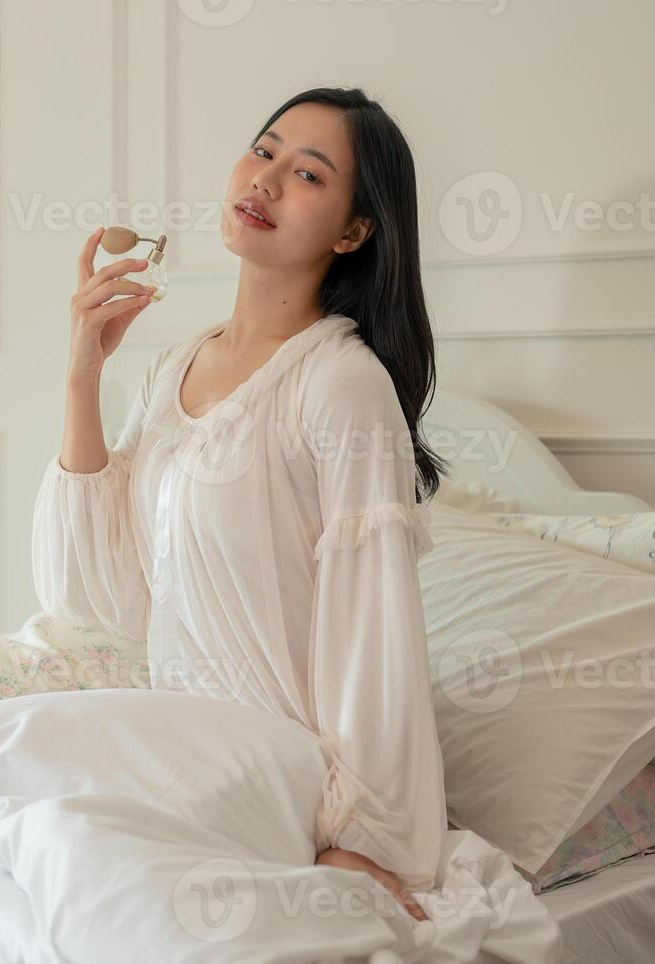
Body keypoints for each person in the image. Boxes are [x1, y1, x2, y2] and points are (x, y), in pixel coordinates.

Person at [32, 87, 447, 923]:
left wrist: (358, 835)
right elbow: (97, 598)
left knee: (69, 840)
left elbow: (372, 634)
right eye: (263, 152)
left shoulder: (343, 384)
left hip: (275, 762)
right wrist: (83, 372)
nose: (264, 181)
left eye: (306, 174)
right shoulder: (172, 368)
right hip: (177, 739)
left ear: (352, 231)